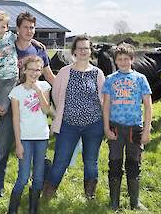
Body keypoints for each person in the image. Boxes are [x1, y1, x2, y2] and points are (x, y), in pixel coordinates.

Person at [0, 11, 55, 203]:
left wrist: (66, 94)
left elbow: (49, 78)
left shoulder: (39, 50)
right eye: (25, 27)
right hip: (8, 110)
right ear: (17, 29)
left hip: (34, 112)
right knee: (2, 151)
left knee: (39, 152)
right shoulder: (5, 46)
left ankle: (42, 186)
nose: (29, 31)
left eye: (32, 27)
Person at [43, 36, 105, 201]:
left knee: (91, 161)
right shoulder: (64, 72)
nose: (83, 51)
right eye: (80, 48)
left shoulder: (98, 73)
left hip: (94, 125)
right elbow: (56, 95)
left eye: (86, 48)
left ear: (90, 51)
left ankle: (90, 195)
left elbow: (103, 100)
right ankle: (48, 194)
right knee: (61, 160)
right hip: (68, 125)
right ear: (74, 51)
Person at [102, 43, 152, 210]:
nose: (123, 62)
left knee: (134, 163)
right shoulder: (110, 79)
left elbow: (148, 106)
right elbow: (106, 105)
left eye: (126, 59)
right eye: (119, 59)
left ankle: (135, 202)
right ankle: (114, 202)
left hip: (134, 128)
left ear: (132, 59)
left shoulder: (140, 79)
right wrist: (106, 128)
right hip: (115, 127)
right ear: (115, 61)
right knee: (115, 163)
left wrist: (146, 130)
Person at [0, 10, 46, 131]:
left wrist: (34, 41)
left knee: (4, 104)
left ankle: (0, 114)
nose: (0, 29)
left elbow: (23, 36)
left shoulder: (10, 36)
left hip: (12, 77)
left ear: (7, 28)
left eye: (3, 27)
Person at [7, 55, 51, 214]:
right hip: (25, 138)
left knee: (38, 177)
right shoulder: (16, 92)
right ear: (24, 70)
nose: (34, 73)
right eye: (31, 69)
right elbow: (15, 118)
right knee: (23, 176)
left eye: (38, 70)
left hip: (41, 137)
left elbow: (46, 110)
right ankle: (12, 210)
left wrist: (38, 91)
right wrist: (18, 143)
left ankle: (33, 209)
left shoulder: (44, 86)